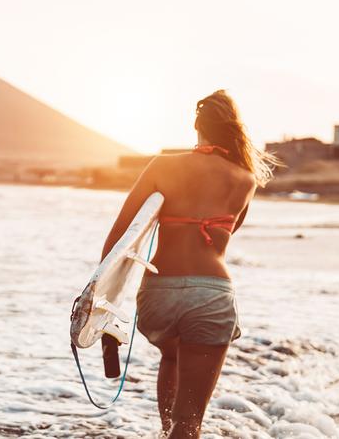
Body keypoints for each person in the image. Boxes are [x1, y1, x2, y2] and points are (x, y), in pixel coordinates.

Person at [99, 90, 278, 438]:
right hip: (210, 293)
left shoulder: (162, 166)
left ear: (197, 126)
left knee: (171, 358)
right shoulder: (245, 179)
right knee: (190, 423)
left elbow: (120, 238)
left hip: (158, 295)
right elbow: (228, 235)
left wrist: (101, 300)